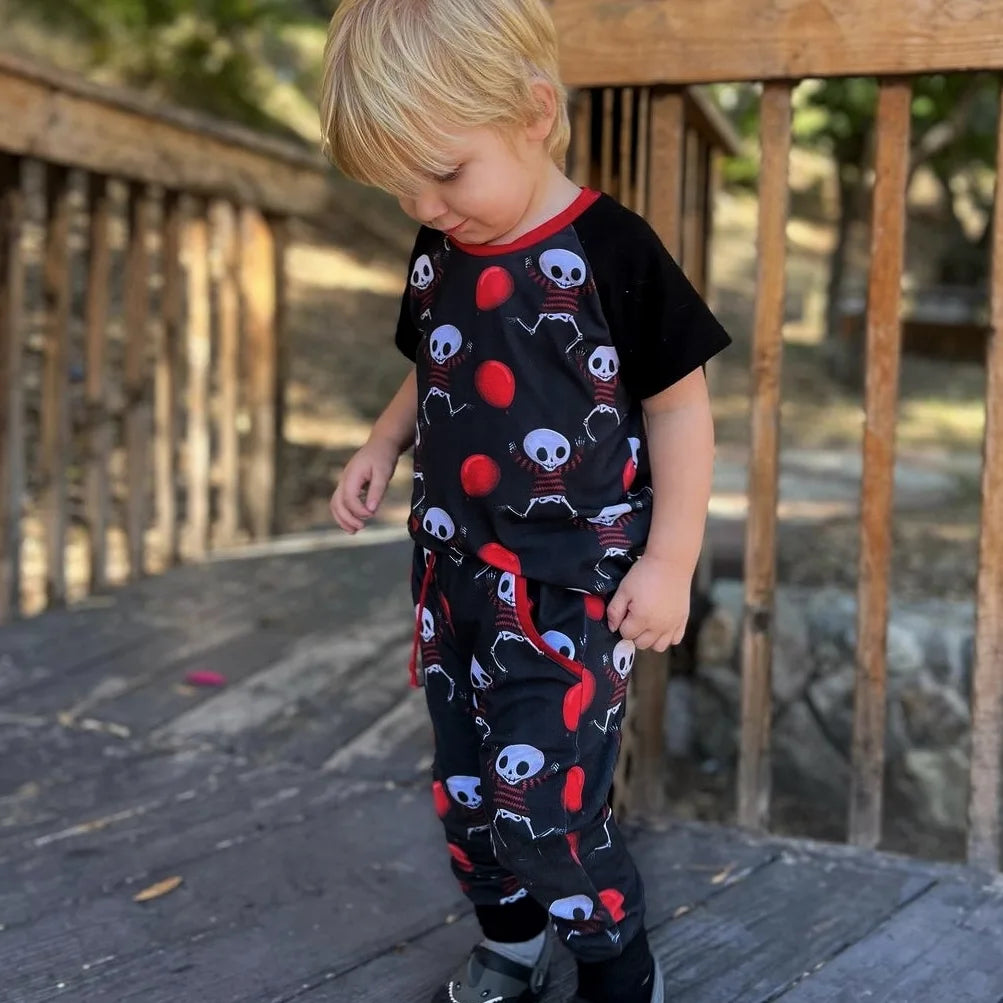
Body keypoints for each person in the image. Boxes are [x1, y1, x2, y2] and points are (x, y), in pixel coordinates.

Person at [321, 1, 731, 1000]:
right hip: (453, 575)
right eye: (402, 186)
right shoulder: (442, 244)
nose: (427, 204)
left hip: (573, 587)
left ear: (535, 111)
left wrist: (669, 560)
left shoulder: (611, 248)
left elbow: (679, 413)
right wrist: (383, 440)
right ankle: (508, 940)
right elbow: (437, 360)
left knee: (539, 800)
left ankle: (613, 960)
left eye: (445, 173)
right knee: (466, 792)